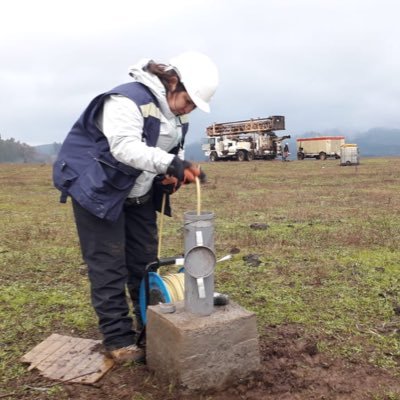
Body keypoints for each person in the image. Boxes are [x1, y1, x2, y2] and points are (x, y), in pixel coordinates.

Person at [53, 51, 219, 363]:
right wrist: (171, 163)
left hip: (137, 194)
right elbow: (125, 148)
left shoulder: (177, 116)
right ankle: (119, 340)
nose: (190, 109)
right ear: (173, 82)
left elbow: (165, 153)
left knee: (144, 263)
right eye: (189, 100)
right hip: (99, 190)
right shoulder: (125, 100)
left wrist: (167, 177)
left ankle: (150, 327)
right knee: (109, 266)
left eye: (195, 105)